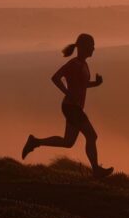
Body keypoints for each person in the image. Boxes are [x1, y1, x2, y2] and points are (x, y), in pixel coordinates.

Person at [21, 33, 114, 178]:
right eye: (91, 46)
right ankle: (96, 170)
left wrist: (96, 84)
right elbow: (55, 77)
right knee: (92, 136)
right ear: (83, 47)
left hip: (74, 107)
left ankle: (35, 141)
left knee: (68, 142)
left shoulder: (83, 64)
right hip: (71, 107)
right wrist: (67, 92)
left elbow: (81, 85)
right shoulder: (73, 64)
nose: (94, 49)